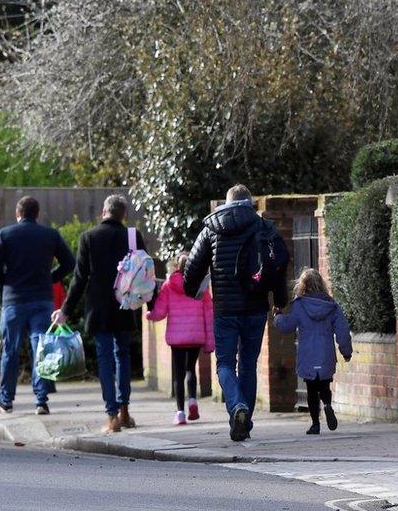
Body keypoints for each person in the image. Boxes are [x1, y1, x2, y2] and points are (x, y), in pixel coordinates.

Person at [183, 184, 288, 442]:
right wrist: (281, 300)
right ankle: (244, 421)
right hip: (255, 308)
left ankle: (237, 407)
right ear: (249, 202)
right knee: (249, 365)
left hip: (226, 310)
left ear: (227, 203)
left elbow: (194, 265)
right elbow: (279, 265)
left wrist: (190, 289)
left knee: (226, 364)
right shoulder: (262, 226)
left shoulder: (212, 228)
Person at [53, 195, 149, 433]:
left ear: (104, 212)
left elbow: (79, 278)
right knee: (123, 355)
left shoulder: (88, 237)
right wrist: (152, 303)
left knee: (105, 358)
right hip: (125, 304)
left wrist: (65, 311)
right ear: (123, 214)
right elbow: (145, 272)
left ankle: (112, 416)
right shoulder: (132, 236)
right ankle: (125, 410)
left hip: (98, 307)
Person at [0, 196, 75, 414]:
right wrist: (52, 278)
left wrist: (5, 281)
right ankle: (41, 400)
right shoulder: (49, 235)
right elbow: (70, 262)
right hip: (42, 300)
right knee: (42, 350)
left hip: (13, 301)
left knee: (10, 350)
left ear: (18, 214)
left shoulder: (6, 235)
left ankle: (6, 399)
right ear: (37, 214)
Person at [274, 268, 352, 435]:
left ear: (303, 286)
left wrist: (278, 317)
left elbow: (287, 326)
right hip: (326, 352)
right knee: (324, 385)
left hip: (307, 353)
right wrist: (346, 351)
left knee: (311, 389)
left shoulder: (299, 305)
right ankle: (328, 405)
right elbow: (343, 330)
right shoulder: (331, 306)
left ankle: (315, 424)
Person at [146, 253, 214, 425]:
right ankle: (192, 400)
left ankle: (180, 413)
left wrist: (149, 314)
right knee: (191, 368)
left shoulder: (169, 286)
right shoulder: (201, 285)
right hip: (196, 334)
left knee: (179, 375)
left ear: (176, 266)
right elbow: (209, 313)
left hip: (177, 337)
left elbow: (160, 312)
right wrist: (209, 341)